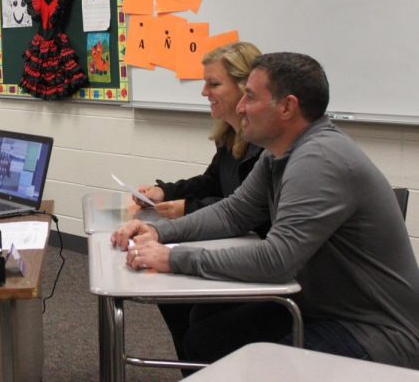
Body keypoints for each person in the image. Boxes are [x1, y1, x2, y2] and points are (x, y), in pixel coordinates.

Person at [112, 53, 419, 369]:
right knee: (208, 334)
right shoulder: (279, 155)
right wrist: (159, 231)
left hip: (375, 332)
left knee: (257, 368)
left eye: (250, 97)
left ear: (287, 106)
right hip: (321, 308)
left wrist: (173, 258)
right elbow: (234, 212)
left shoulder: (319, 161)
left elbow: (276, 260)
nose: (241, 107)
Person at [133, 41, 264, 363]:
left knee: (201, 329)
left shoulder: (268, 149)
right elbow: (212, 182)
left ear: (246, 87)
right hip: (234, 246)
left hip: (252, 254)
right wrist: (167, 191)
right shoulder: (230, 135)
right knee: (172, 298)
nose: (204, 92)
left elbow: (243, 209)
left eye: (214, 83)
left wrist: (188, 208)